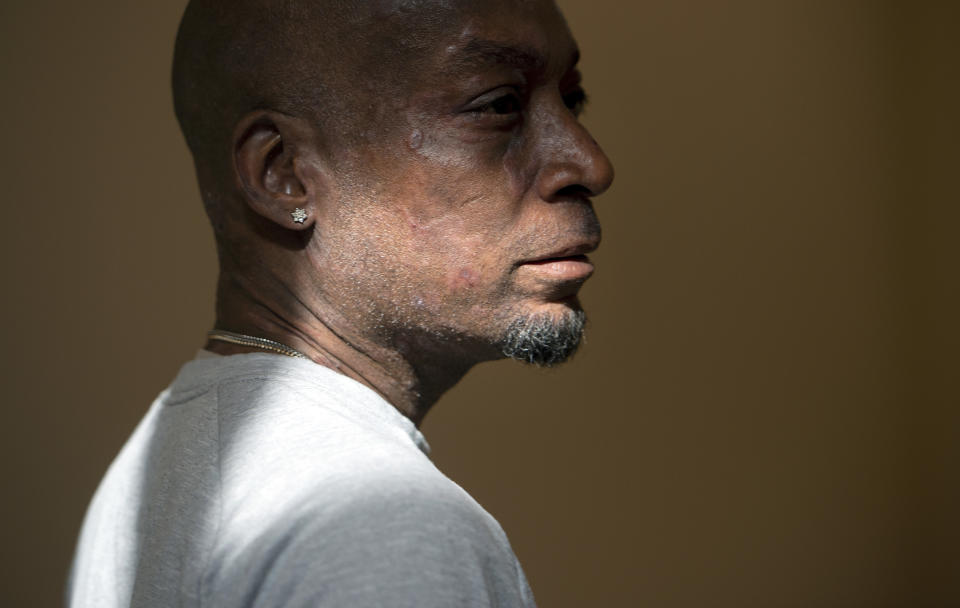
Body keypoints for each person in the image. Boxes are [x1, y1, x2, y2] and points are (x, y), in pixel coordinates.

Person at [67, 0, 613, 605]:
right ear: (286, 173)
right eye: (498, 105)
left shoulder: (149, 484)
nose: (589, 163)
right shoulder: (385, 525)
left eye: (573, 99)